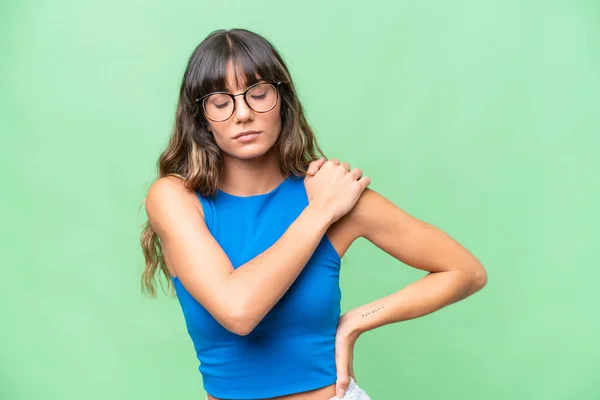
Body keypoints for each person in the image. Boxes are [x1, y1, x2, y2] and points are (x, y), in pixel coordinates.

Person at [140, 28, 487, 400]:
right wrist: (319, 213)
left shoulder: (333, 194)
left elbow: (466, 272)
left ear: (283, 101)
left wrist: (356, 321)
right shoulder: (176, 198)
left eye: (258, 95)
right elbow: (239, 311)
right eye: (221, 102)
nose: (242, 114)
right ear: (201, 116)